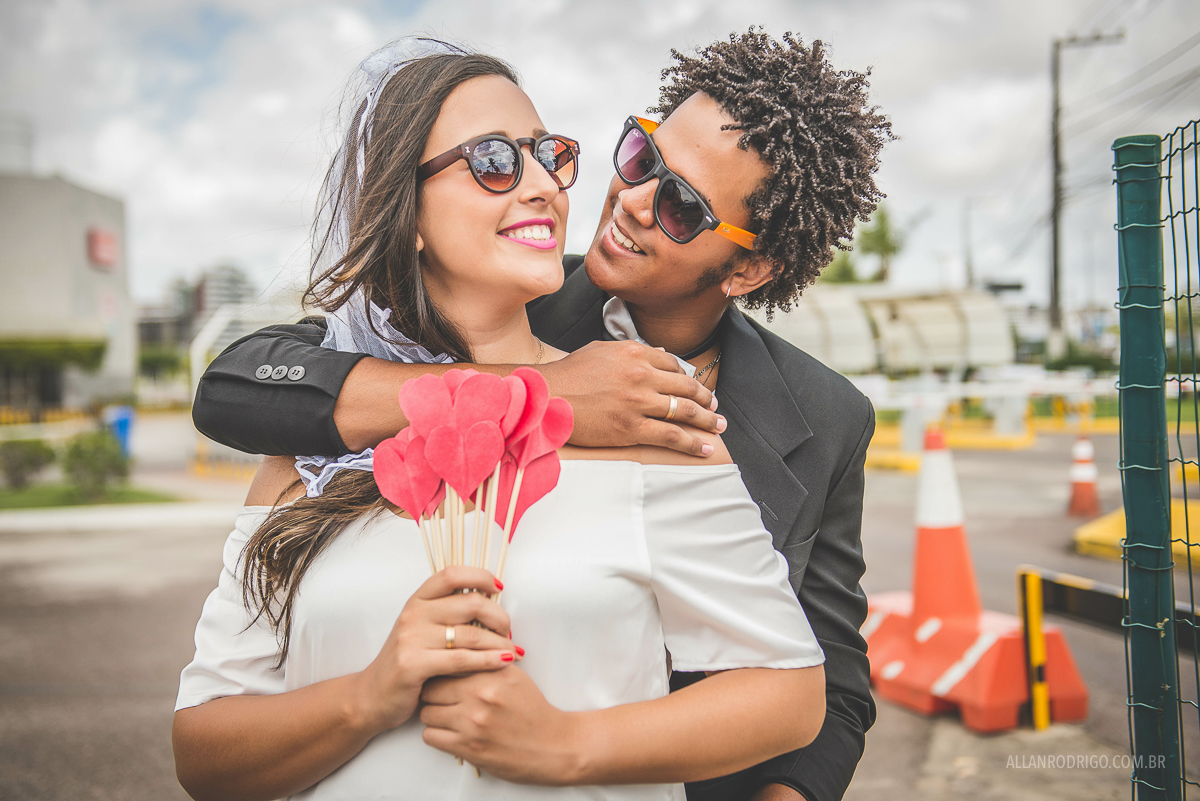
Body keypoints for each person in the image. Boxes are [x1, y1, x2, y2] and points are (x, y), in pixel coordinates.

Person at [192, 30, 892, 801]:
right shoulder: (505, 286)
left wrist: (569, 747)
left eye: (681, 206)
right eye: (639, 155)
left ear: (750, 267)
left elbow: (823, 683)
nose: (628, 200)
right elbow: (240, 383)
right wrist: (539, 393)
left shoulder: (809, 418)